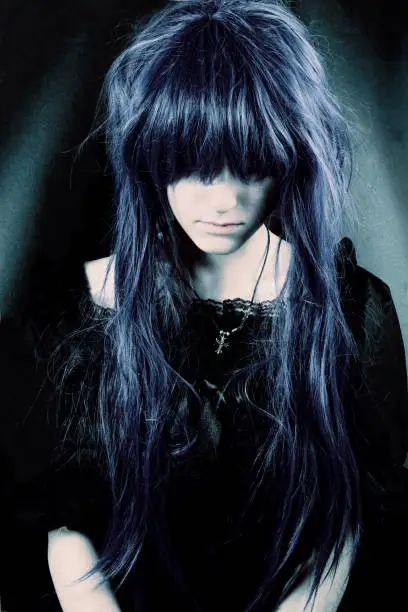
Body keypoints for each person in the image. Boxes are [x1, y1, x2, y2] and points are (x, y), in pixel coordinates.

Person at [1, 0, 407, 610]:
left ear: (288, 159)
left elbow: (345, 520)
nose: (223, 201)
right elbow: (65, 527)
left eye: (249, 164)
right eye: (191, 165)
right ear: (151, 160)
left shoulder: (352, 314)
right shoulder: (67, 321)